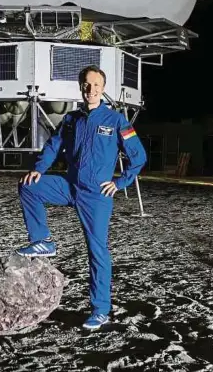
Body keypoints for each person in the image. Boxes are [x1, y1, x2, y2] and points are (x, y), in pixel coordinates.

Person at [15, 65, 147, 330]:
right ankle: (42, 241)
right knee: (28, 187)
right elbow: (53, 146)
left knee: (97, 251)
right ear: (80, 86)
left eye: (96, 85)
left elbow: (139, 156)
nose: (91, 90)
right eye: (87, 84)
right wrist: (38, 169)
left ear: (103, 88)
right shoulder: (71, 119)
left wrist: (120, 182)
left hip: (96, 196)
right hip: (70, 185)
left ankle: (100, 310)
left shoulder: (116, 120)